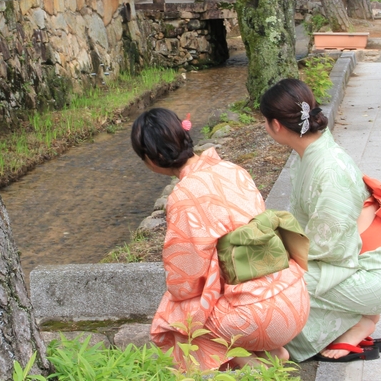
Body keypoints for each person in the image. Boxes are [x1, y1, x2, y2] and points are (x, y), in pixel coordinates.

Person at [131, 107, 310, 372]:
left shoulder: (184, 195)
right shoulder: (231, 169)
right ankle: (272, 352)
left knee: (175, 318)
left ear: (151, 158)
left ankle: (259, 367)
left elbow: (185, 280)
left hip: (258, 315)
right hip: (295, 297)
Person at [259, 78, 381, 363]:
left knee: (270, 280)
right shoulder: (310, 156)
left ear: (276, 125)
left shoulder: (329, 168)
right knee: (269, 270)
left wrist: (271, 252)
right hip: (349, 262)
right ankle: (343, 324)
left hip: (374, 275)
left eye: (265, 121)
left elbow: (331, 248)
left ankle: (359, 320)